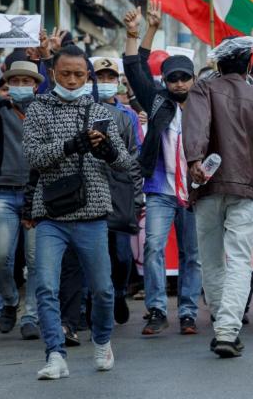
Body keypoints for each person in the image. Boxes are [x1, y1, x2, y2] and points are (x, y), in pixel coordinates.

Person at [25, 43, 139, 379]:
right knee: (46, 285)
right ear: (52, 74)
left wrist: (105, 150)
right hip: (51, 213)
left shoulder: (101, 112)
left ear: (87, 76)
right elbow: (33, 156)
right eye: (65, 74)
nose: (72, 80)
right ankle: (54, 354)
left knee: (103, 289)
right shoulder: (38, 109)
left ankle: (102, 340)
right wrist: (69, 145)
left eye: (78, 74)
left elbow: (123, 163)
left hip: (92, 214)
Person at [184, 35, 253, 359]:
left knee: (211, 259)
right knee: (239, 260)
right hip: (247, 185)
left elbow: (196, 126)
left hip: (207, 186)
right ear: (248, 64)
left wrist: (195, 160)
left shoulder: (202, 89)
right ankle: (227, 331)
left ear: (218, 64)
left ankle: (224, 326)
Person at [123, 4, 201, 338]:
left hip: (196, 193)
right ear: (165, 81)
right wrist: (144, 31)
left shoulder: (206, 104)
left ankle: (187, 312)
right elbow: (133, 67)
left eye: (185, 77)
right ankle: (156, 309)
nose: (180, 83)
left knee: (192, 255)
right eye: (173, 78)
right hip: (160, 190)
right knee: (153, 247)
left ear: (194, 79)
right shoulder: (155, 101)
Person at [0, 28, 48, 339]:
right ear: (6, 85)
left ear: (35, 85)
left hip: (38, 193)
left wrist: (45, 54)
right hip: (4, 192)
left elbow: (56, 84)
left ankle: (30, 315)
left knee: (34, 260)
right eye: (14, 82)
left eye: (26, 81)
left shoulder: (45, 109)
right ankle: (8, 302)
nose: (19, 86)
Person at [91, 56, 144, 328]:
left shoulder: (128, 116)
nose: (106, 83)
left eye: (110, 78)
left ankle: (119, 292)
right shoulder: (83, 111)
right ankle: (96, 302)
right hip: (90, 193)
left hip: (120, 193)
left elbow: (134, 157)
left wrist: (136, 198)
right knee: (93, 253)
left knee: (122, 255)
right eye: (100, 77)